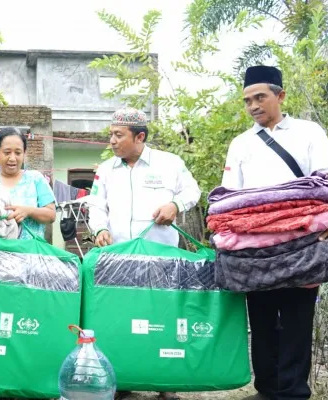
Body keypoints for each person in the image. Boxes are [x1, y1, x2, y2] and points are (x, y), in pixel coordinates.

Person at [222, 65, 328, 400]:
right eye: (247, 100)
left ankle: (294, 392)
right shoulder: (240, 143)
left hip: (303, 241)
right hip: (255, 248)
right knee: (261, 321)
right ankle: (267, 389)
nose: (253, 105)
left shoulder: (308, 132)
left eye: (260, 97)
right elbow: (231, 196)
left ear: (280, 96)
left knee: (297, 320)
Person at [88, 107, 201, 400]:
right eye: (110, 134)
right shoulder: (106, 170)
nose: (111, 141)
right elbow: (96, 205)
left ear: (139, 137)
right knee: (119, 317)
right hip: (118, 258)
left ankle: (165, 383)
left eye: (118, 135)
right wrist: (99, 229)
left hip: (160, 258)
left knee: (161, 316)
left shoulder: (169, 163)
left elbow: (193, 191)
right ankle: (123, 379)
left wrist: (175, 206)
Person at [0, 127, 56, 239]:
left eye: (18, 153)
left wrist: (29, 211)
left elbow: (51, 215)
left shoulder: (35, 179)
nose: (12, 158)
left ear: (24, 153)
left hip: (29, 252)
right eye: (7, 152)